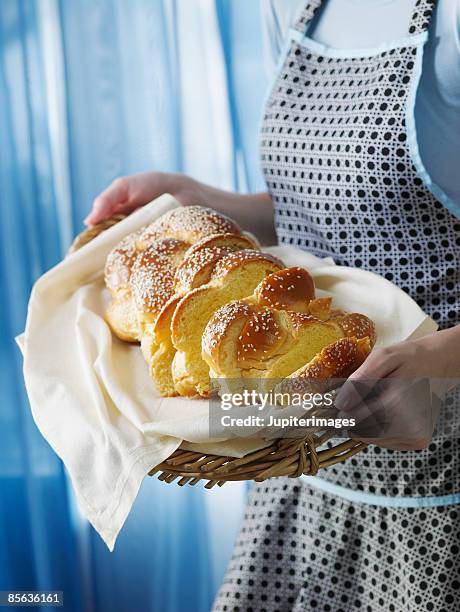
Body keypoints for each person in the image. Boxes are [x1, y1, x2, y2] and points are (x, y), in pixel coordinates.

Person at [86, 0, 460, 609]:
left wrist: (441, 362)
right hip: (302, 468)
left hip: (438, 489)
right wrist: (201, 198)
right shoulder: (291, 6)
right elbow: (332, 210)